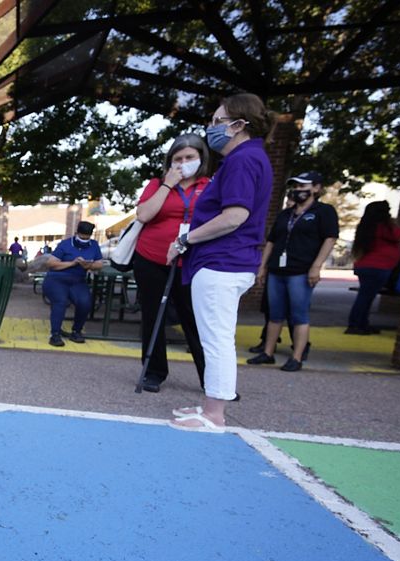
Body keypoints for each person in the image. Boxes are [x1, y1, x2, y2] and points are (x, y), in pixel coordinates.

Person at [166, 93, 276, 430]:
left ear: (240, 125)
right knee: (216, 337)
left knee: (215, 339)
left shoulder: (243, 160)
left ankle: (214, 414)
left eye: (218, 121)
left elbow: (234, 216)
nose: (211, 128)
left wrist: (185, 239)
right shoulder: (247, 159)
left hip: (222, 262)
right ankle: (210, 406)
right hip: (226, 261)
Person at [131, 133, 210, 391]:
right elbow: (143, 214)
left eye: (190, 157)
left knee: (194, 319)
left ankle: (211, 377)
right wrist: (168, 184)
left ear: (201, 159)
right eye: (178, 158)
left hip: (191, 261)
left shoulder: (210, 185)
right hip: (151, 258)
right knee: (153, 315)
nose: (183, 163)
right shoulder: (157, 184)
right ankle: (153, 372)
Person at [248, 171, 339, 371]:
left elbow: (330, 239)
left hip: (301, 270)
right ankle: (268, 352)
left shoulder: (324, 212)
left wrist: (316, 266)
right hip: (277, 270)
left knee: (299, 314)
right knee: (275, 313)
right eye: (296, 187)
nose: (299, 190)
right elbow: (271, 241)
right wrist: (262, 266)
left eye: (303, 186)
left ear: (316, 188)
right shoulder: (285, 214)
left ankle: (297, 357)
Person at [347, 200, 400, 334]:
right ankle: (355, 324)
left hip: (365, 265)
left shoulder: (367, 227)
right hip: (379, 266)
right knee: (366, 297)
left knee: (366, 295)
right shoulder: (385, 227)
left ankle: (361, 323)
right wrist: (393, 222)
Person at [40, 220, 103, 347]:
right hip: (56, 279)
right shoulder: (65, 244)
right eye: (81, 237)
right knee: (60, 302)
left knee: (85, 302)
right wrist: (72, 263)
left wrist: (88, 265)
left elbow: (99, 264)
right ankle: (55, 334)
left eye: (87, 238)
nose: (84, 240)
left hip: (77, 280)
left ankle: (76, 331)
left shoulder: (94, 245)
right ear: (76, 233)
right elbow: (51, 264)